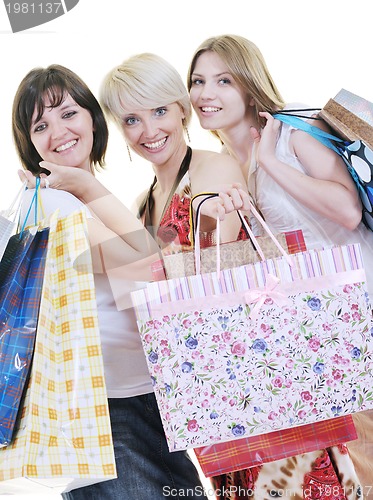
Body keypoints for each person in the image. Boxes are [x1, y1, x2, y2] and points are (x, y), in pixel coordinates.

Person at [187, 34, 373, 498]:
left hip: (360, 313)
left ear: (249, 86)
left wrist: (269, 160)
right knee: (359, 475)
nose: (206, 94)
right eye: (198, 81)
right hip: (321, 336)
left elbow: (347, 211)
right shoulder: (230, 164)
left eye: (223, 80)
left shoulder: (290, 129)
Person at [13, 64, 208, 500]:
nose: (58, 131)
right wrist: (85, 184)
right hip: (105, 408)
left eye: (68, 113)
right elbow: (147, 266)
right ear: (30, 143)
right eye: (40, 125)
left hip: (131, 397)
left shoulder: (78, 193)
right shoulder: (56, 202)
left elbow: (130, 289)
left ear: (92, 118)